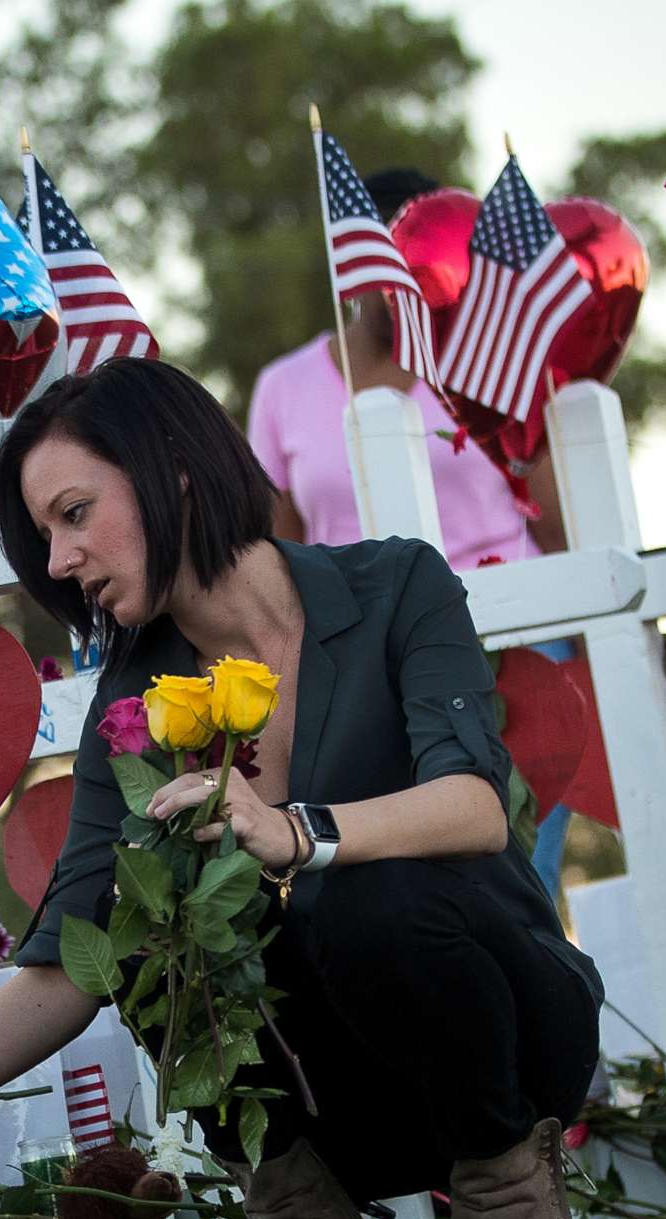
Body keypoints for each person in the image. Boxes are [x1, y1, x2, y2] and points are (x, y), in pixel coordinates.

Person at [0, 359, 604, 1219]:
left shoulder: (396, 584)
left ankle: (504, 1186)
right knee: (150, 923)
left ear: (173, 466)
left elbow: (475, 807)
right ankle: (293, 1202)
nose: (63, 559)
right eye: (46, 535)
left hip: (507, 1046)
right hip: (337, 1112)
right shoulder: (130, 704)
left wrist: (292, 833)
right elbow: (70, 960)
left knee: (362, 893)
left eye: (75, 513)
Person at [249, 166, 577, 901]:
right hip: (360, 654)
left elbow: (557, 520)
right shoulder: (284, 386)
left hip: (512, 637)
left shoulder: (490, 362)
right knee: (392, 865)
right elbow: (282, 543)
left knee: (524, 866)